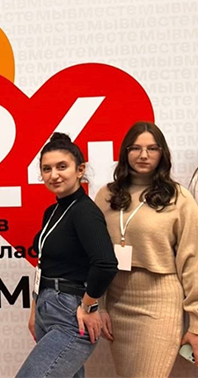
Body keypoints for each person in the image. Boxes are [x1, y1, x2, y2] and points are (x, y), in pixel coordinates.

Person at [95, 121, 198, 377]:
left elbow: (192, 261)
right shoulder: (106, 196)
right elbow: (94, 256)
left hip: (159, 301)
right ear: (125, 152)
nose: (143, 155)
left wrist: (196, 323)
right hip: (117, 301)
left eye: (152, 148)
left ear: (162, 153)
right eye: (136, 148)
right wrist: (99, 305)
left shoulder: (179, 197)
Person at [16, 133, 118, 378]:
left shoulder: (84, 211)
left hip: (70, 312)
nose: (54, 175)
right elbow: (44, 263)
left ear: (80, 169)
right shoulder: (52, 211)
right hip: (47, 306)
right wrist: (35, 309)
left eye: (62, 166)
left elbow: (105, 264)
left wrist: (89, 306)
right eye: (47, 169)